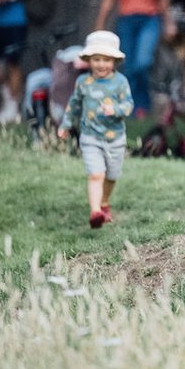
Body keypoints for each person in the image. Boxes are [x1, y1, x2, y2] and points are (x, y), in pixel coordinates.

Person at [57, 31, 134, 229]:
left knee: (111, 176)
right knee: (95, 175)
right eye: (96, 59)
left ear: (114, 61)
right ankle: (95, 212)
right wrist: (66, 125)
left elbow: (128, 106)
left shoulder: (120, 82)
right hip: (90, 137)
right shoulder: (83, 82)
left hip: (115, 139)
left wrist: (115, 110)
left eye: (106, 60)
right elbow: (74, 104)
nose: (101, 64)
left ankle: (104, 202)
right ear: (88, 60)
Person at [94, 0, 172, 118]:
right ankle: (130, 107)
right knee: (128, 65)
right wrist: (99, 24)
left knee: (143, 62)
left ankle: (142, 103)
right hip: (127, 20)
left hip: (149, 19)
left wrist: (169, 23)